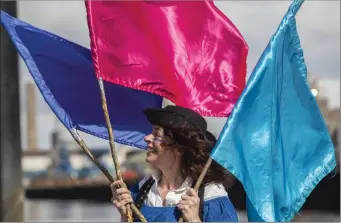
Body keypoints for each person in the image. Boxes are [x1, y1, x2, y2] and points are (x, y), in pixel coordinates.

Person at [110, 105, 238, 222]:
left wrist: (194, 219)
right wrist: (125, 217)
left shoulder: (210, 197)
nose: (147, 138)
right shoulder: (141, 191)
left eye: (156, 134)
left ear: (179, 147)